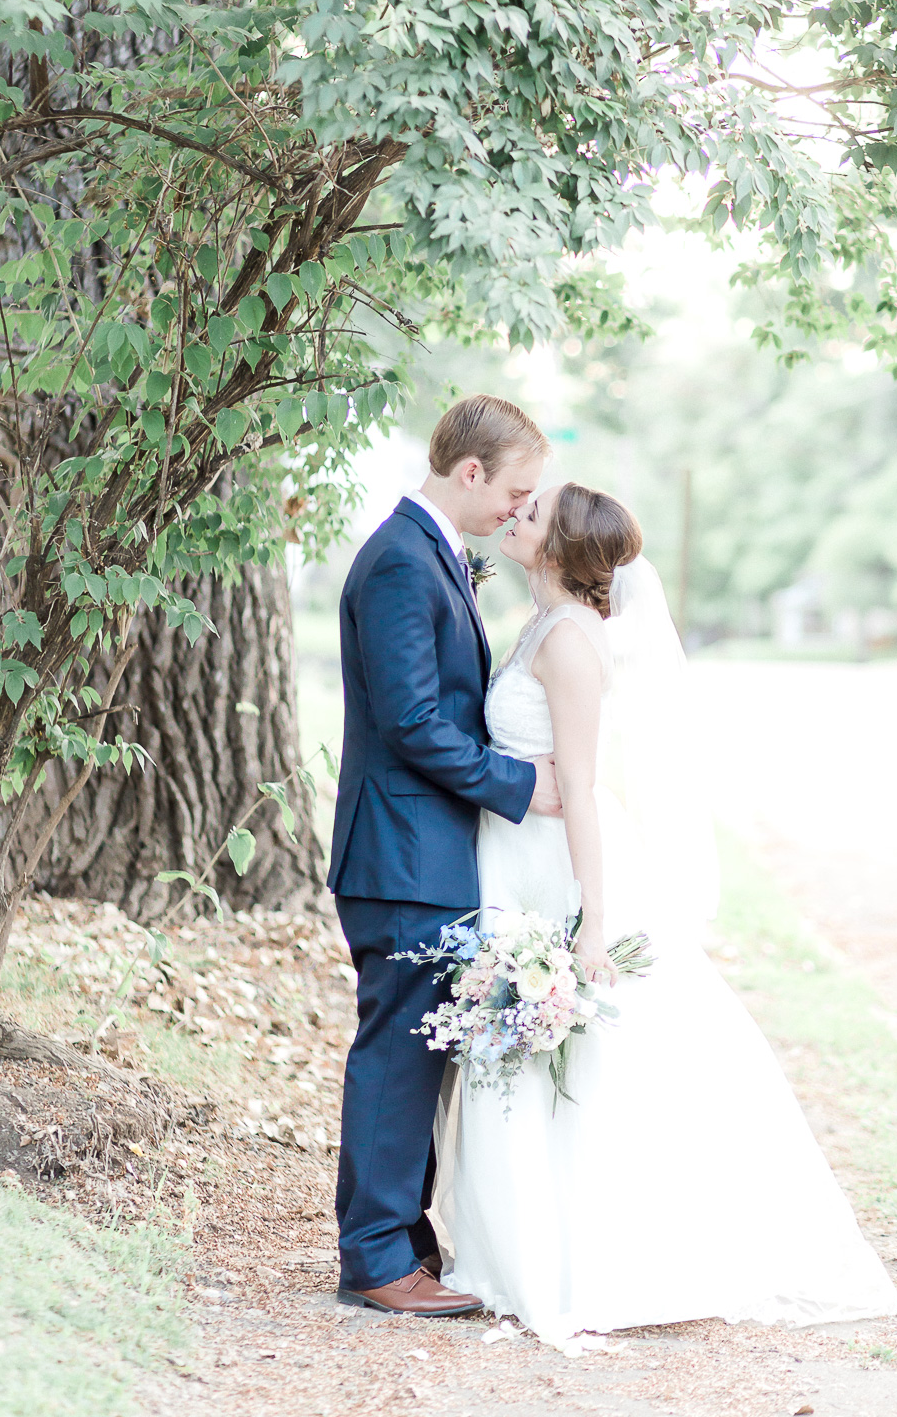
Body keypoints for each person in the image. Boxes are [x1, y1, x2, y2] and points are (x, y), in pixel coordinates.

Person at [431, 481, 897, 1344]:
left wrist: (593, 923)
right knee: (532, 1059)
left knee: (580, 1056)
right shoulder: (541, 623)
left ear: (565, 551)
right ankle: (524, 1248)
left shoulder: (573, 642)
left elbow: (580, 788)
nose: (514, 516)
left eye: (531, 514)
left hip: (560, 870)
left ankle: (593, 1257)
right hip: (514, 857)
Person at [329, 395, 565, 1317]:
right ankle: (378, 1260)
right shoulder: (398, 562)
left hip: (426, 853)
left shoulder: (431, 554)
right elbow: (414, 723)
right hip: (400, 854)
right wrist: (519, 784)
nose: (519, 507)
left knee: (419, 1058)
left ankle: (404, 1244)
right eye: (515, 490)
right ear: (471, 474)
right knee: (397, 1058)